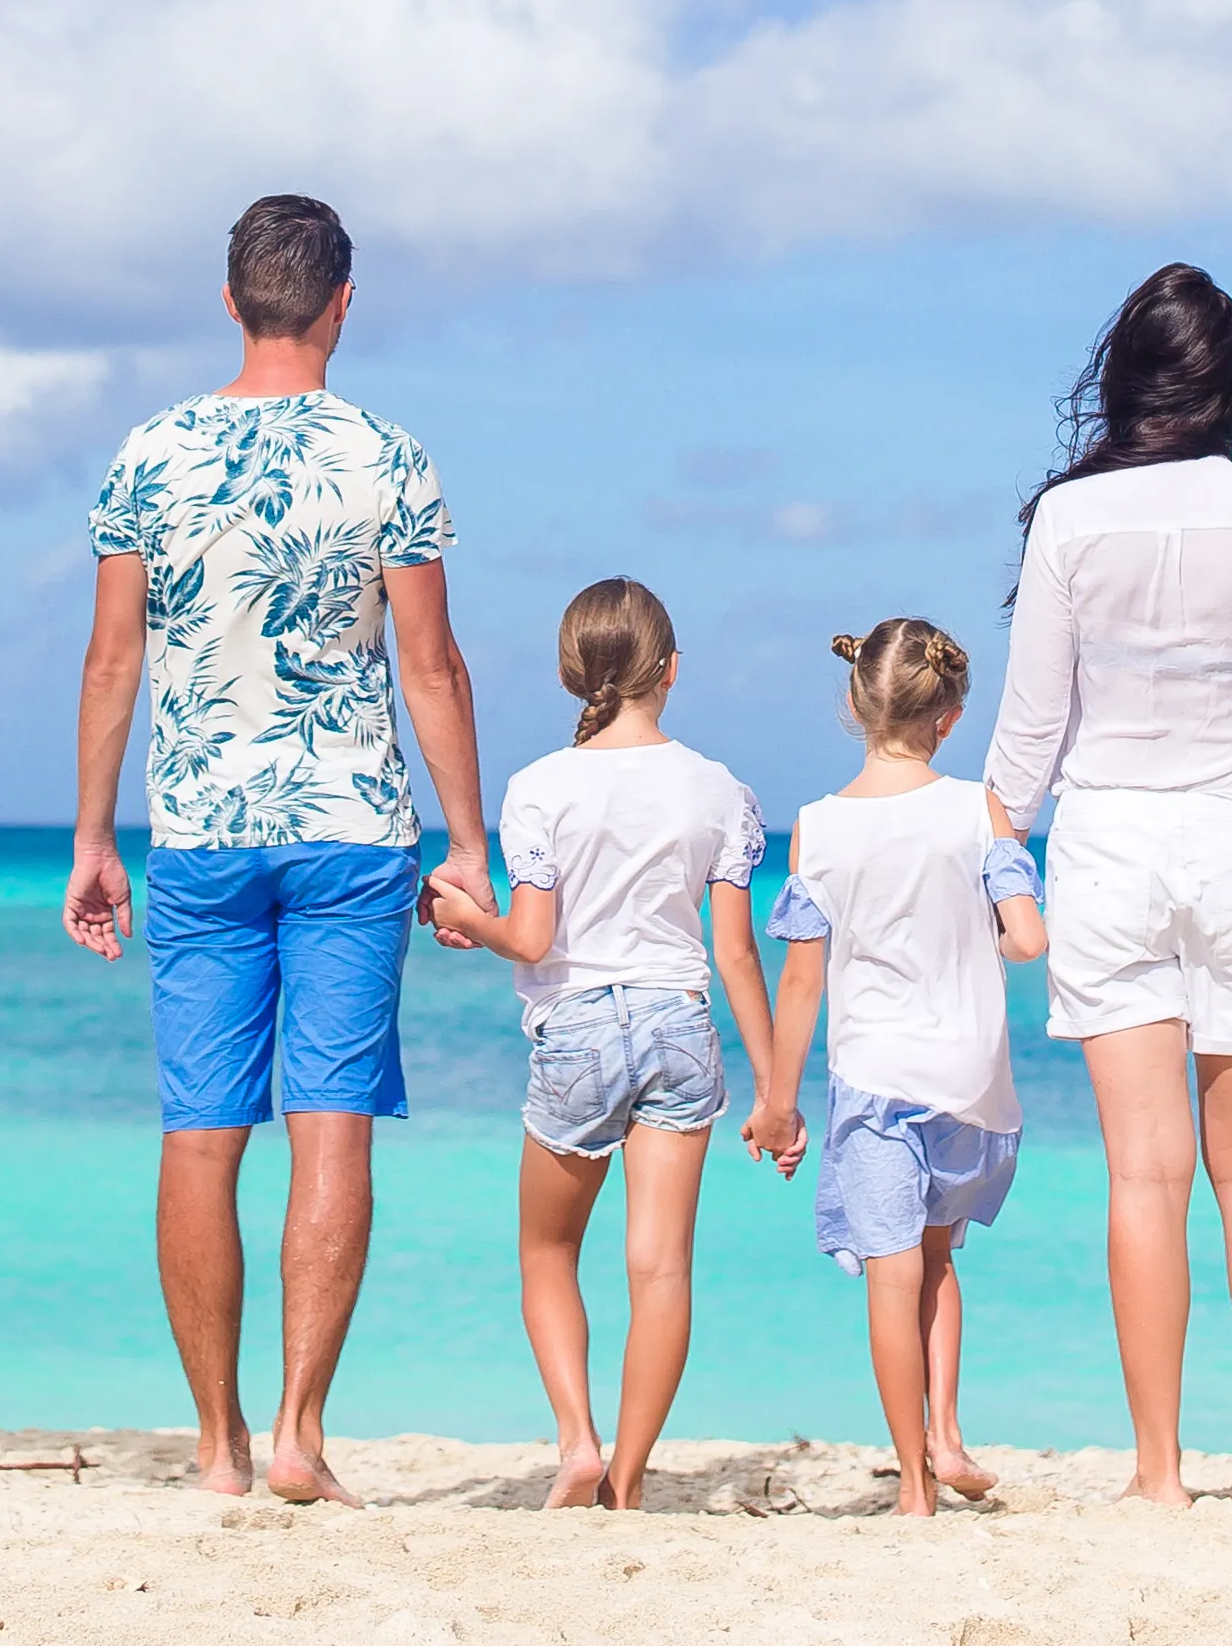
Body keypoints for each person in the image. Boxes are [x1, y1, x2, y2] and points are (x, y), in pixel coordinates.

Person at [64, 195, 487, 1506]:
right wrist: (470, 840)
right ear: (341, 303)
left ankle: (218, 1446)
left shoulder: (149, 453)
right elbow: (428, 664)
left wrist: (92, 835)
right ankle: (301, 1431)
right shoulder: (389, 457)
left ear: (231, 298)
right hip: (351, 827)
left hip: (199, 830)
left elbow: (112, 660)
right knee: (330, 1128)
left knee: (201, 1132)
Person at [981, 261, 1232, 1505]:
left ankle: (1157, 1472)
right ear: (1229, 384)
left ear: (1128, 379)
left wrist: (997, 862)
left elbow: (1030, 731)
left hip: (1109, 851)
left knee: (1146, 1174)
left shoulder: (1070, 521)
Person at [422, 577, 777, 1509]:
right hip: (679, 1023)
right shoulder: (721, 789)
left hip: (578, 1030)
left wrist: (467, 916)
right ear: (671, 669)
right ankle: (627, 1477)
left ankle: (577, 1439)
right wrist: (775, 1088)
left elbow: (533, 938)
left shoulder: (540, 787)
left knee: (548, 1251)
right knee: (660, 1267)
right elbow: (735, 953)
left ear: (568, 672)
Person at [742, 616, 1046, 1519]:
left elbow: (803, 983)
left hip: (875, 1074)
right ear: (949, 718)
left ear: (855, 701)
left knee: (891, 1270)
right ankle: (948, 1433)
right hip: (969, 1076)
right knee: (938, 1255)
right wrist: (990, 932)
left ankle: (915, 1482)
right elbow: (1028, 938)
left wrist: (777, 1104)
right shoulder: (978, 807)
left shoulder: (820, 827)